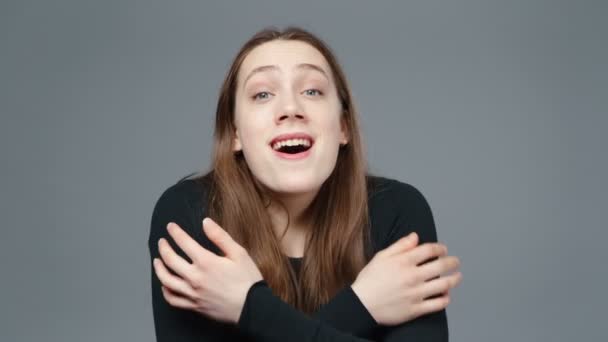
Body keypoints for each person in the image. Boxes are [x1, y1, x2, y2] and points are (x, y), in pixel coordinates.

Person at [148, 26, 462, 341]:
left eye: (312, 91)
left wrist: (248, 307)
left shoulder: (397, 209)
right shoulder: (192, 215)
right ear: (235, 134)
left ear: (343, 127)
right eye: (262, 94)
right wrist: (361, 306)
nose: (290, 109)